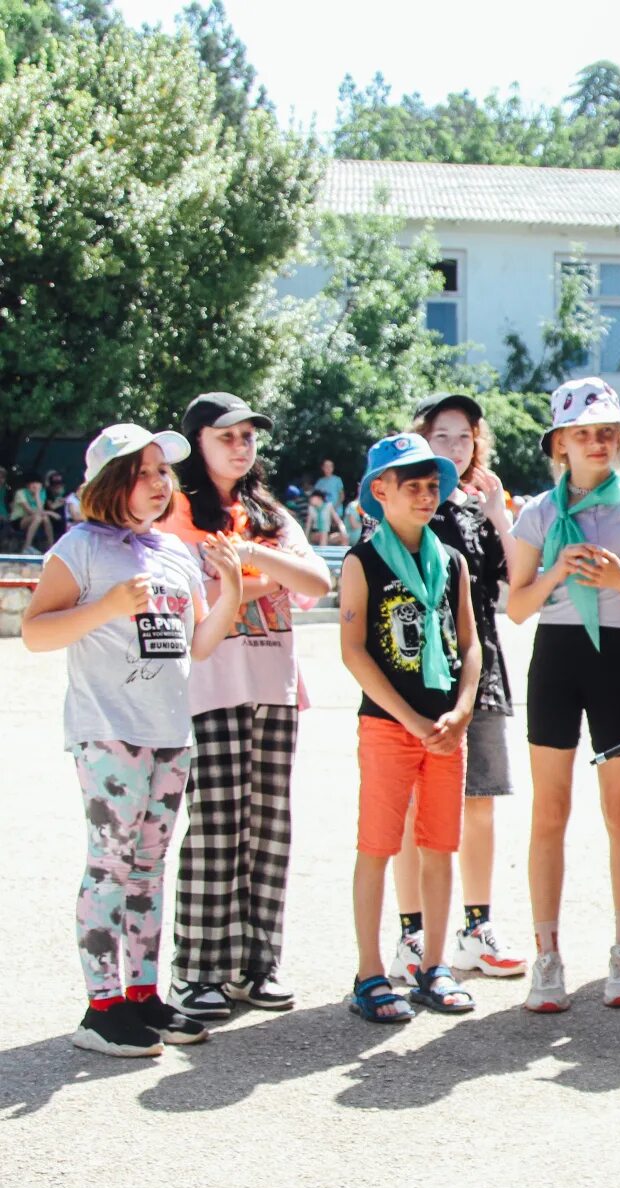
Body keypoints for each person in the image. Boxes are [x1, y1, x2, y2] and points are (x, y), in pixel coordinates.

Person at [23, 424, 243, 1056]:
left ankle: (142, 996)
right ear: (110, 483)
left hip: (169, 732)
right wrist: (108, 605)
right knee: (111, 867)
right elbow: (37, 632)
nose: (158, 483)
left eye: (162, 472)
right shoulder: (80, 547)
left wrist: (228, 587)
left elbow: (199, 644)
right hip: (108, 730)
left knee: (149, 868)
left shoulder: (173, 552)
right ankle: (101, 1008)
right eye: (144, 472)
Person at [506, 377, 620, 1013]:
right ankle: (547, 955)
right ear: (560, 445)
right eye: (583, 433)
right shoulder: (537, 513)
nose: (597, 442)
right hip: (554, 658)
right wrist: (557, 570)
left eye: (607, 432)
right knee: (549, 810)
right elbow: (518, 607)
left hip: (616, 656)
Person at [158, 391, 333, 1020]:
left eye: (248, 436)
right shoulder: (177, 512)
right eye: (226, 435)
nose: (241, 446)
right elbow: (191, 592)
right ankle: (198, 970)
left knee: (270, 829)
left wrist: (250, 561)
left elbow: (317, 581)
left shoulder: (269, 513)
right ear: (198, 441)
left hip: (275, 686)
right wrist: (268, 576)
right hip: (211, 686)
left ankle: (258, 965)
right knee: (215, 828)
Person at [339, 435, 481, 1022]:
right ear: (381, 491)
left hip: (447, 729)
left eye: (432, 486)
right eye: (411, 485)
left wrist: (464, 708)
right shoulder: (361, 561)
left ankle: (435, 966)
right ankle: (370, 972)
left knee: (440, 847)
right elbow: (353, 651)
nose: (425, 496)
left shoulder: (451, 561)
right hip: (390, 727)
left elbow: (471, 645)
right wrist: (413, 720)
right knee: (378, 846)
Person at [387, 393, 527, 987]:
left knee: (480, 807)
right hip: (415, 676)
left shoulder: (477, 513)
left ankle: (476, 927)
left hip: (481, 672)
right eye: (441, 437)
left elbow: (519, 584)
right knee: (415, 810)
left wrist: (497, 513)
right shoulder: (401, 510)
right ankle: (413, 936)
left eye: (464, 438)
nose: (454, 448)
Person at [12, 474, 55, 552]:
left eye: (37, 483)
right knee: (38, 517)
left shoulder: (42, 493)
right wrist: (50, 513)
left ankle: (51, 546)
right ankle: (27, 546)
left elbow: (40, 510)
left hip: (36, 519)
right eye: (33, 483)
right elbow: (29, 511)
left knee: (44, 518)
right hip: (19, 520)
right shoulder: (20, 493)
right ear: (28, 485)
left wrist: (37, 495)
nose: (35, 485)